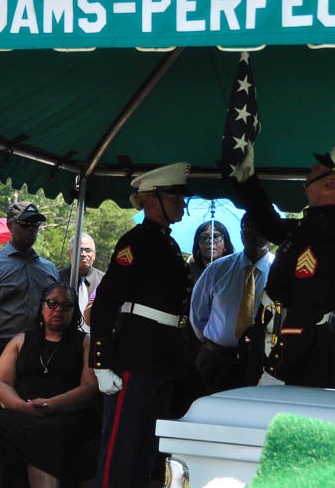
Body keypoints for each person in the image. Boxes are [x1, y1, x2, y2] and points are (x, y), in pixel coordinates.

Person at [232, 135, 335, 387]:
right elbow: (270, 225)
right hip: (287, 348)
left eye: (319, 167)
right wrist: (247, 180)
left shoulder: (327, 232)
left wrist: (276, 371)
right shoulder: (316, 225)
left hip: (294, 358)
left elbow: (305, 308)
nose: (312, 169)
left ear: (330, 183)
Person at [90, 162, 193, 488]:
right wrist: (100, 363)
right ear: (151, 200)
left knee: (146, 453)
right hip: (136, 356)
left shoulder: (168, 244)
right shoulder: (135, 242)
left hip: (161, 358)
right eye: (174, 197)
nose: (182, 204)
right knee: (121, 452)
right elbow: (106, 302)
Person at [0, 283, 99, 488]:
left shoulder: (85, 342)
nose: (58, 309)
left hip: (66, 414)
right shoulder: (21, 340)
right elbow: (1, 383)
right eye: (53, 303)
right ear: (42, 306)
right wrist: (20, 406)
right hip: (21, 410)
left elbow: (90, 388)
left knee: (43, 436)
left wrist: (51, 405)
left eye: (66, 305)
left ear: (74, 310)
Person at [0, 201, 59, 417]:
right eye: (25, 224)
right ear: (10, 225)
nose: (31, 229)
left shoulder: (48, 268)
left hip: (37, 354)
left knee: (33, 414)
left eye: (35, 224)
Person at [190, 213, 273, 393]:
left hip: (259, 361)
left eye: (261, 230)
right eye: (249, 230)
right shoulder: (218, 269)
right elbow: (198, 315)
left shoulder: (278, 271)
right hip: (216, 359)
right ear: (241, 234)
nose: (255, 235)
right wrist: (215, 342)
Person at [59, 232, 105, 330]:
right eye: (79, 250)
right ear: (69, 254)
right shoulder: (58, 280)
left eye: (88, 250)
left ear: (94, 255)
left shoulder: (104, 281)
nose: (83, 254)